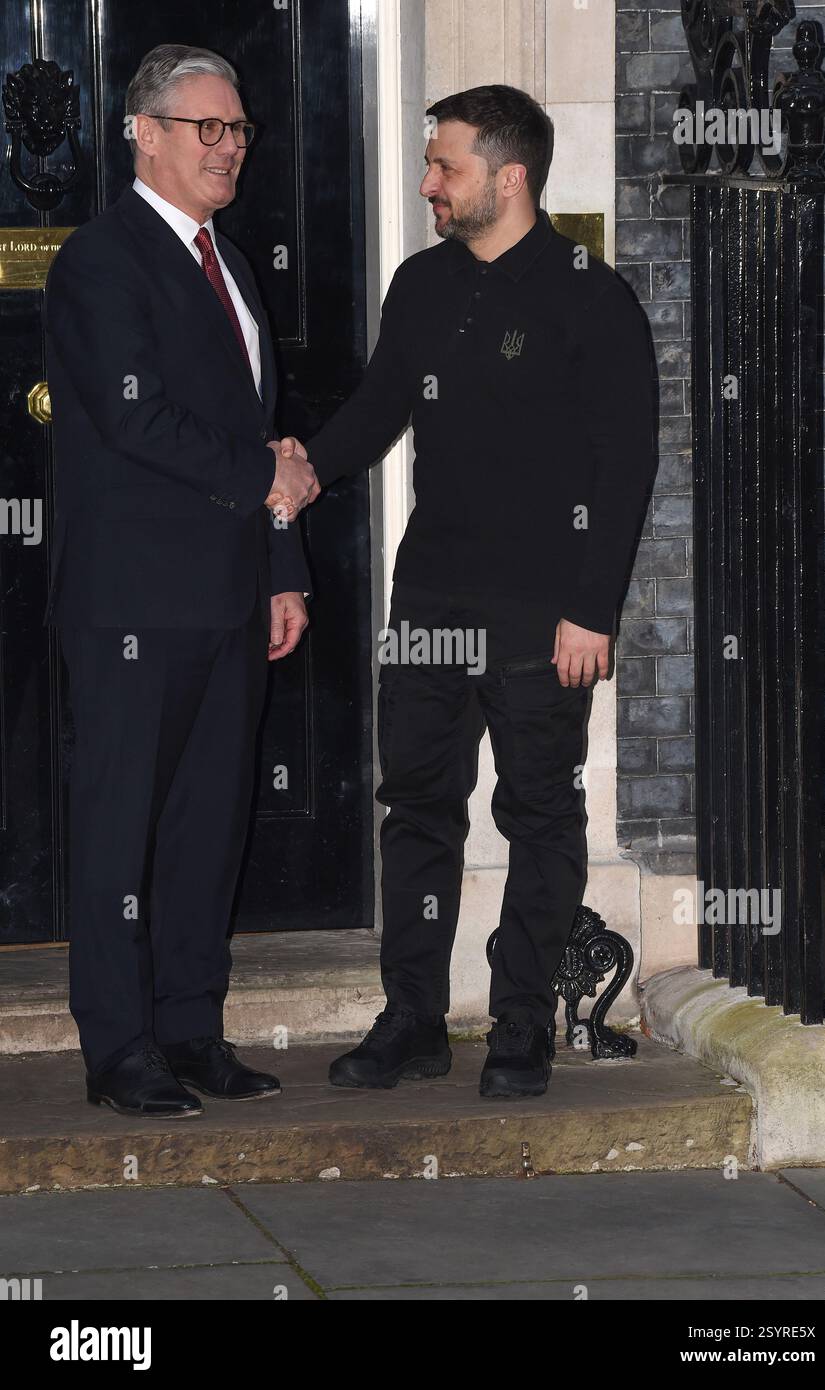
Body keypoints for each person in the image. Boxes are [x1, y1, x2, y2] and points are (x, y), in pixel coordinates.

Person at [279, 84, 656, 1098]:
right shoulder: (421, 285)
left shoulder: (590, 294)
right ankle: (410, 1018)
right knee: (417, 810)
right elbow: (373, 411)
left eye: (444, 165)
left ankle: (522, 1024)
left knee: (537, 812)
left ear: (508, 173)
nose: (427, 184)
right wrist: (304, 467)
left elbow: (625, 467)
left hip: (546, 612)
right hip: (432, 602)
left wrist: (593, 608)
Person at [44, 43, 318, 1118]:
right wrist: (268, 476)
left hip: (234, 591)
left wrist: (284, 568)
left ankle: (192, 1025)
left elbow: (260, 436)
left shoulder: (233, 261)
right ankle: (120, 1047)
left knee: (212, 818)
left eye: (239, 129)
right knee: (121, 826)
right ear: (144, 134)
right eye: (207, 128)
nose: (230, 147)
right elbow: (132, 415)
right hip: (132, 601)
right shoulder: (100, 262)